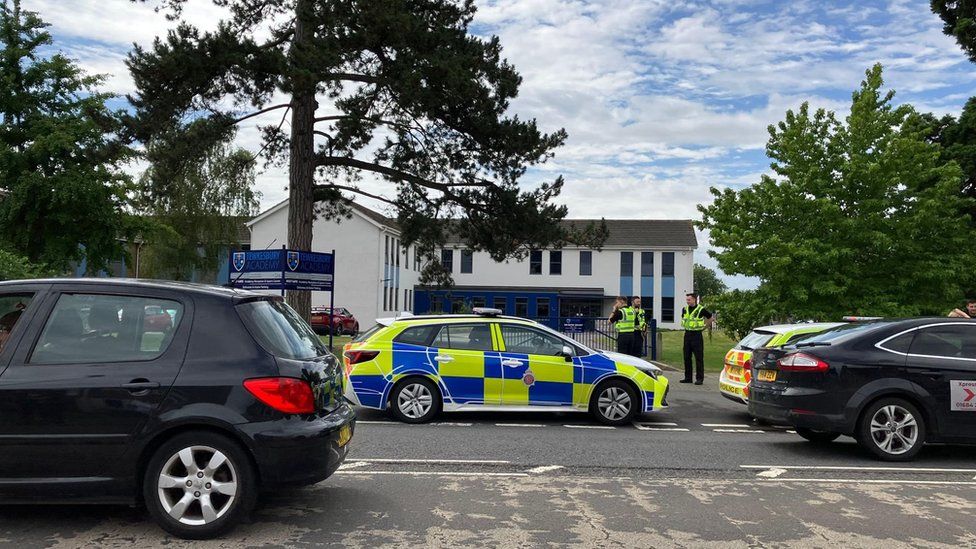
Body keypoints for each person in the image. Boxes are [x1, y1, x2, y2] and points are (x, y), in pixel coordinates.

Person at [680, 292, 713, 385]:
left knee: (698, 358)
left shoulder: (701, 309)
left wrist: (704, 328)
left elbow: (710, 318)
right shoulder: (684, 309)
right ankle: (688, 378)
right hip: (687, 335)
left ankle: (699, 379)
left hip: (697, 336)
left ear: (694, 299)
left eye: (689, 300)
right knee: (686, 357)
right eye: (687, 300)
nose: (687, 302)